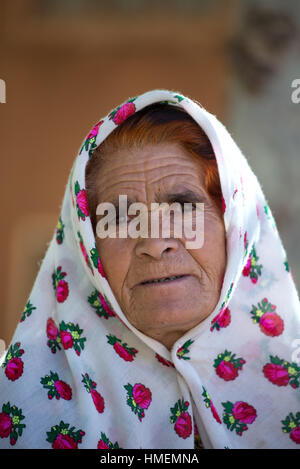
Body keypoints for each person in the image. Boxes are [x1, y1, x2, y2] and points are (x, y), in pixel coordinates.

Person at [0, 89, 299, 449]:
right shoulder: (18, 409)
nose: (156, 244)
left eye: (184, 206)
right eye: (122, 217)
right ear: (87, 250)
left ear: (235, 229)